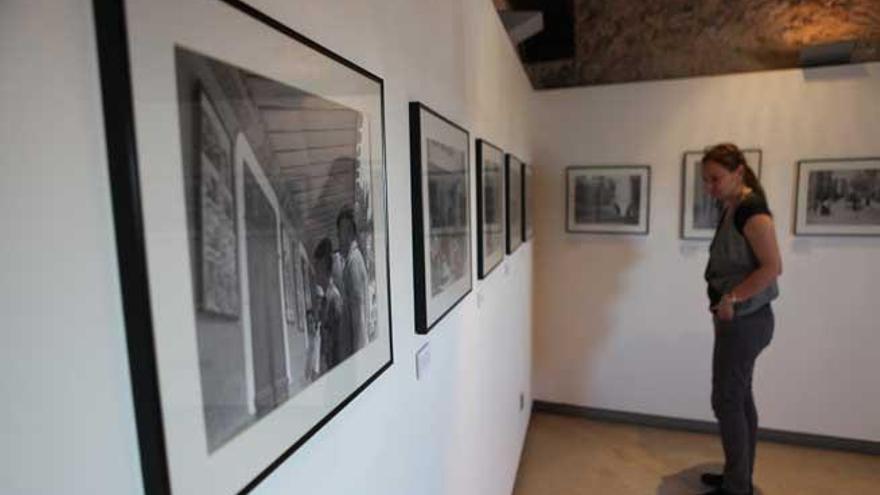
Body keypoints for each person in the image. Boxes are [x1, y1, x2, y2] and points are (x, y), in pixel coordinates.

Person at [700, 143, 782, 495]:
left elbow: (773, 268)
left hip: (746, 322)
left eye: (716, 179)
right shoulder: (733, 206)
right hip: (739, 320)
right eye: (706, 181)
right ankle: (739, 476)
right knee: (739, 396)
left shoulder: (753, 212)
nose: (710, 187)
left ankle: (736, 488)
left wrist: (732, 298)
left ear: (738, 172)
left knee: (727, 400)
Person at [337, 207, 370, 352]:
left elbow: (359, 317)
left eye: (342, 231)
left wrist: (359, 357)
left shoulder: (354, 262)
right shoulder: (351, 260)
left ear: (351, 234)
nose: (338, 237)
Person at [312, 238, 344, 372]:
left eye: (317, 266)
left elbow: (338, 340)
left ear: (324, 266)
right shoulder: (326, 298)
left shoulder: (334, 298)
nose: (315, 272)